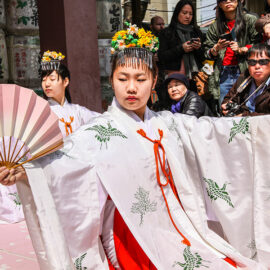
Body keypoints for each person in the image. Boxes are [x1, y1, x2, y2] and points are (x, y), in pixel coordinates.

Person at [0, 24, 269, 269]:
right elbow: (61, 165)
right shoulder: (98, 132)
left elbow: (214, 131)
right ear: (111, 81)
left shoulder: (168, 123)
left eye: (140, 80)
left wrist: (262, 128)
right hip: (130, 228)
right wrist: (28, 172)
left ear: (153, 82)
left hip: (180, 221)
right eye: (122, 78)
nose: (131, 88)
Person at [204, 0, 261, 110]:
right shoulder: (215, 26)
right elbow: (206, 51)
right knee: (226, 109)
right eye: (224, 0)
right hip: (223, 73)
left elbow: (260, 44)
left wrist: (243, 49)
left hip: (245, 72)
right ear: (219, 4)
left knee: (248, 108)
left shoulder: (250, 20)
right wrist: (216, 49)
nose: (228, 1)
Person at [41, 51, 99, 137]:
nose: (47, 84)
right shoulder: (42, 113)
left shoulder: (77, 111)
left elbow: (102, 121)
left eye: (52, 79)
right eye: (44, 80)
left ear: (65, 81)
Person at [158, 0, 205, 82]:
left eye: (191, 14)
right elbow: (162, 56)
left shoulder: (197, 32)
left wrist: (198, 48)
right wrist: (181, 49)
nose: (187, 16)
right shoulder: (167, 32)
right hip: (174, 77)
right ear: (177, 13)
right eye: (184, 13)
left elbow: (203, 57)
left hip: (195, 78)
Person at [221, 43, 270, 116]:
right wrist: (226, 106)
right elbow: (229, 97)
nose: (257, 66)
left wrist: (244, 116)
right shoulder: (245, 76)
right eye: (252, 62)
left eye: (263, 62)